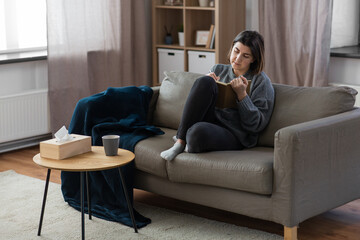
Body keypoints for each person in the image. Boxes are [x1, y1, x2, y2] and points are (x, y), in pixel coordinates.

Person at [160, 30, 275, 161]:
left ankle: (188, 139)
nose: (238, 58)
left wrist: (242, 96)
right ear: (232, 48)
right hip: (210, 121)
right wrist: (206, 83)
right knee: (205, 81)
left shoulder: (261, 82)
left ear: (254, 58)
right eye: (236, 51)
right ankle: (180, 142)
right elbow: (194, 105)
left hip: (234, 134)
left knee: (196, 133)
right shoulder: (218, 69)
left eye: (245, 55)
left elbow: (256, 126)